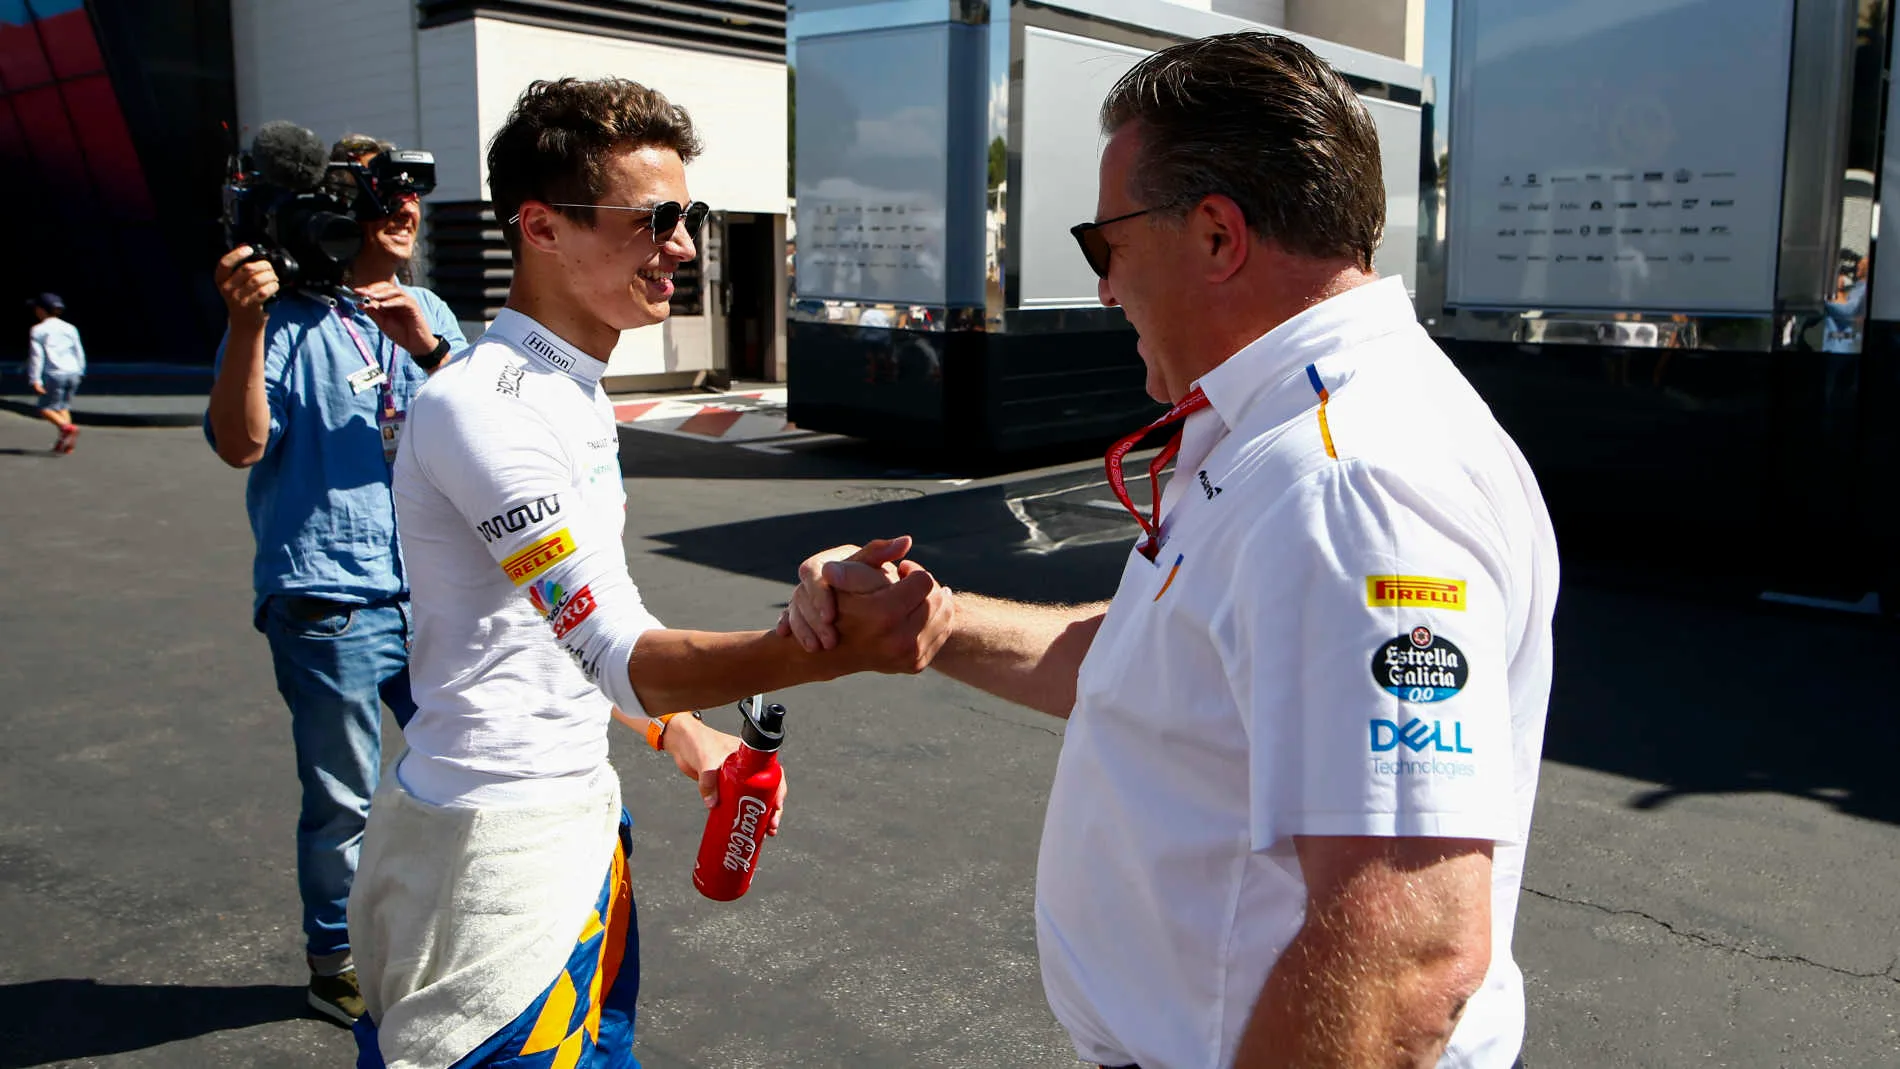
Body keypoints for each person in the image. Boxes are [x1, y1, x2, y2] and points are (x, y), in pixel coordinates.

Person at [783, 33, 1558, 1069]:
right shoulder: (1284, 435)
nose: (1103, 287)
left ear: (1214, 235)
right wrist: (940, 621)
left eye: (1106, 244)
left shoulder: (1347, 478)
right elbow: (1171, 668)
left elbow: (1407, 944)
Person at [348, 77, 954, 1069]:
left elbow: (560, 630)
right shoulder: (488, 410)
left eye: (690, 215)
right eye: (652, 219)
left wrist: (680, 733)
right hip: (491, 859)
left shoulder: (567, 388)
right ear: (540, 228)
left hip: (572, 823)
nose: (681, 243)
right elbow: (617, 651)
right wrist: (826, 647)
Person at [207, 132, 466, 1025]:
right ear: (334, 212)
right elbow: (241, 443)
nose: (407, 216)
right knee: (345, 797)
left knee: (466, 762)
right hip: (328, 598)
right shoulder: (282, 322)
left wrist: (430, 351)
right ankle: (335, 959)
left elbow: (485, 447)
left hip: (430, 593)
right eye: (386, 201)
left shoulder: (430, 305)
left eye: (412, 202)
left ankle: (440, 925)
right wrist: (244, 325)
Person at [25, 293, 85, 454]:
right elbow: (78, 350)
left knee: (44, 407)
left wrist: (35, 379)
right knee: (63, 406)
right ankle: (64, 440)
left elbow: (37, 356)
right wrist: (80, 370)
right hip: (72, 371)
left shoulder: (38, 330)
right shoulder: (70, 328)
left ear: (40, 310)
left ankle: (66, 428)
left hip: (54, 373)